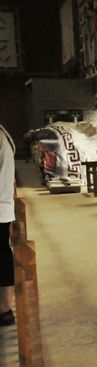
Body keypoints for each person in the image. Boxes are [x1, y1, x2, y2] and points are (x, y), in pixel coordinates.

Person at [0, 123, 15, 326]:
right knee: (3, 254)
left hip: (1, 206)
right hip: (3, 207)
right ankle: (5, 309)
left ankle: (4, 308)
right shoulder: (3, 135)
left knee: (2, 256)